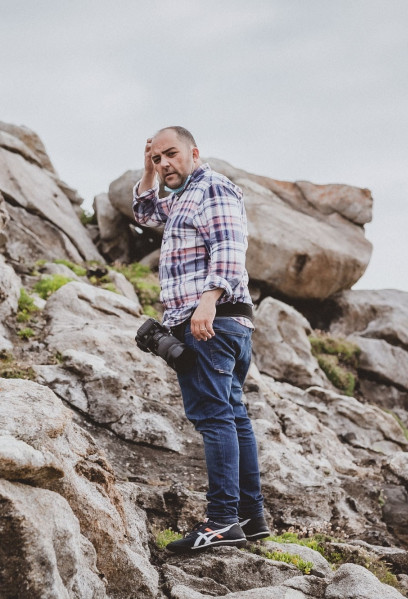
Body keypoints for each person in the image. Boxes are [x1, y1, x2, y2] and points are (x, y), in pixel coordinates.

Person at [132, 126, 269, 551]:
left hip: (210, 321)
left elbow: (230, 247)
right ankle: (250, 515)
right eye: (158, 158)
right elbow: (144, 214)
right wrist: (148, 166)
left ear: (194, 151)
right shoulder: (181, 198)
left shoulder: (213, 187)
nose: (165, 164)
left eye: (171, 154)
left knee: (214, 419)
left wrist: (207, 302)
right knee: (232, 414)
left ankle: (222, 520)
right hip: (223, 322)